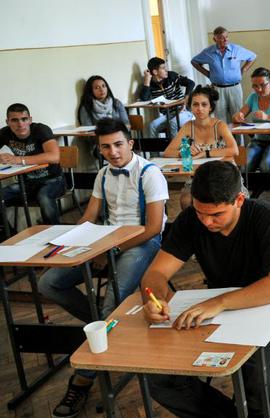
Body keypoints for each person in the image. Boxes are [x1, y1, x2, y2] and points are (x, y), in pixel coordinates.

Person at [142, 161, 270, 418]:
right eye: (199, 212)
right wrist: (155, 299)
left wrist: (221, 302)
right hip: (219, 313)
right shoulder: (190, 221)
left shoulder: (265, 216)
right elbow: (156, 273)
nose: (206, 221)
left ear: (239, 200)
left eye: (216, 215)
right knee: (158, 379)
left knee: (265, 389)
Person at [38, 118, 167, 418]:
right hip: (106, 242)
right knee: (49, 283)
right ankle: (106, 324)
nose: (113, 152)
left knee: (113, 300)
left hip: (141, 243)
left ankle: (82, 379)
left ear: (131, 143)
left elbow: (151, 228)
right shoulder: (102, 175)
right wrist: (68, 241)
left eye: (119, 144)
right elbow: (89, 217)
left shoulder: (150, 173)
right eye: (106, 147)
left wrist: (111, 248)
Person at [163, 86, 240, 209]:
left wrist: (207, 153)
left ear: (210, 107)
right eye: (195, 105)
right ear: (190, 107)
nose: (200, 109)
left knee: (218, 201)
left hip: (223, 175)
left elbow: (234, 150)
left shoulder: (220, 125)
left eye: (204, 104)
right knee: (186, 201)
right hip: (198, 176)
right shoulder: (188, 126)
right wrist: (185, 152)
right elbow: (167, 152)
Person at [0, 103, 64, 229]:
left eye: (24, 119)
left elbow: (54, 157)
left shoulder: (40, 130)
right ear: (7, 122)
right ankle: (8, 235)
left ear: (30, 120)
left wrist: (19, 159)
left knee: (44, 197)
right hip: (27, 183)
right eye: (14, 120)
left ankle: (55, 235)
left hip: (52, 180)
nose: (20, 124)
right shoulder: (5, 133)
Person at [191, 26, 256, 123]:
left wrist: (244, 69)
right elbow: (194, 61)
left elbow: (252, 56)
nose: (225, 39)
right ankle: (223, 138)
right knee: (220, 118)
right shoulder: (208, 52)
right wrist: (208, 74)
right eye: (221, 37)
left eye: (227, 36)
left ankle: (238, 138)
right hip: (218, 89)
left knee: (238, 116)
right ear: (215, 39)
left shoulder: (236, 49)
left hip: (235, 88)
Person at [232, 67, 270, 184]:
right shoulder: (252, 97)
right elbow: (239, 115)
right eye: (255, 86)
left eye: (262, 85)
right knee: (244, 167)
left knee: (266, 166)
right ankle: (256, 189)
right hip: (258, 140)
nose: (259, 89)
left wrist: (267, 117)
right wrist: (238, 116)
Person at [139, 56, 195, 138]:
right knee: (152, 126)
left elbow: (191, 83)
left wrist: (186, 99)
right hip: (168, 114)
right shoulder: (150, 83)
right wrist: (147, 79)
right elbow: (144, 98)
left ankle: (174, 150)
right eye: (163, 68)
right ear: (155, 72)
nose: (166, 70)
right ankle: (155, 151)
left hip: (184, 111)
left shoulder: (171, 76)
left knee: (173, 123)